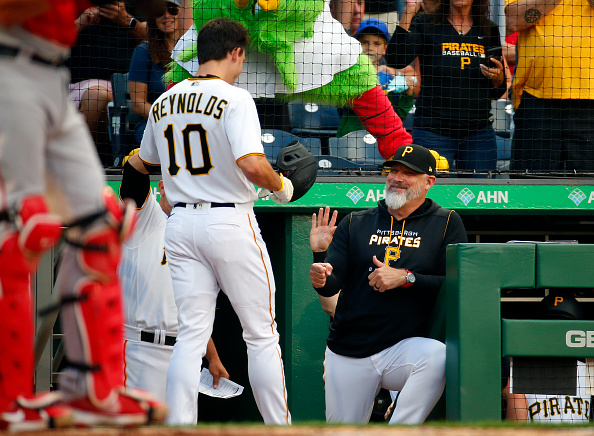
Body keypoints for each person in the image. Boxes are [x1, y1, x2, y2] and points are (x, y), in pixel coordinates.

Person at [0, 0, 168, 430]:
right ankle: (9, 398)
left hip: (53, 77)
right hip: (10, 71)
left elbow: (155, 27)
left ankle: (93, 389)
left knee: (101, 231)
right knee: (19, 237)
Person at [131, 17, 292, 425]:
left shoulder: (165, 100)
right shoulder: (235, 98)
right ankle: (281, 428)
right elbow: (252, 164)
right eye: (243, 57)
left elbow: (142, 163)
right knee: (260, 335)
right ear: (235, 52)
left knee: (189, 337)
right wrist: (281, 186)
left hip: (180, 224)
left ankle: (179, 427)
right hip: (228, 220)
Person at [309, 144, 468, 424]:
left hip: (403, 348)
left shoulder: (446, 223)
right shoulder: (356, 222)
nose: (397, 178)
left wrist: (406, 278)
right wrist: (320, 262)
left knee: (438, 356)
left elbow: (458, 285)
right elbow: (331, 285)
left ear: (429, 182)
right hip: (350, 347)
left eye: (408, 173)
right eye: (393, 170)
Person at [119, 151, 229, 403]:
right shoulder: (145, 217)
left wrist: (211, 356)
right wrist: (157, 150)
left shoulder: (196, 234)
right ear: (162, 187)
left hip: (183, 352)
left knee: (180, 428)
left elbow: (189, 308)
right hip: (140, 349)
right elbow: (134, 173)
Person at [385, 0, 508, 175]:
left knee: (481, 197)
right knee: (430, 196)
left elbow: (497, 91)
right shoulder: (426, 24)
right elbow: (395, 59)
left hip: (478, 134)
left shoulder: (489, 29)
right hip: (432, 132)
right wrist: (409, 11)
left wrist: (499, 77)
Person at [505, 0, 594, 174]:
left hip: (589, 98)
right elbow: (514, 21)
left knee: (589, 188)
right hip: (536, 99)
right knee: (531, 186)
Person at [68, 1, 149, 165]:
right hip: (77, 85)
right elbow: (51, 39)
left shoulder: (134, 6)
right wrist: (81, 22)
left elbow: (157, 37)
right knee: (96, 96)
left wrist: (126, 20)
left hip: (128, 86)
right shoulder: (76, 5)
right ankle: (83, 163)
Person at [336, 18, 416, 137]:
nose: (370, 48)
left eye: (377, 43)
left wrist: (408, 95)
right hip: (350, 137)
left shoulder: (390, 80)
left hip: (380, 139)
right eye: (364, 42)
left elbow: (397, 117)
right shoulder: (347, 75)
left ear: (385, 49)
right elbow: (342, 106)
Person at [128, 0, 182, 145]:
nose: (166, 16)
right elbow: (138, 103)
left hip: (189, 122)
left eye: (172, 9)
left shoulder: (195, 50)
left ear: (182, 12)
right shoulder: (143, 51)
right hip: (153, 123)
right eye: (159, 12)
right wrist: (168, 118)